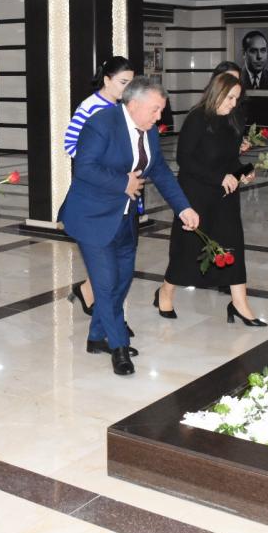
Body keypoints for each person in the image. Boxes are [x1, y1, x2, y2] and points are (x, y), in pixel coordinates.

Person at [58, 76, 200, 376]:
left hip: (125, 218)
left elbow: (159, 170)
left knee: (122, 280)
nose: (159, 117)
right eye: (155, 109)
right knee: (106, 284)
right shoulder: (101, 123)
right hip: (92, 217)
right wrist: (123, 183)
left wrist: (184, 207)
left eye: (161, 110)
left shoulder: (149, 131)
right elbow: (84, 168)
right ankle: (119, 347)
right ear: (134, 104)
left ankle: (97, 337)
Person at [155, 71, 266, 328]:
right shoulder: (197, 118)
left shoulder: (234, 119)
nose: (233, 104)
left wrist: (242, 173)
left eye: (237, 99)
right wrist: (219, 177)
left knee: (233, 244)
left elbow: (230, 159)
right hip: (196, 194)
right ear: (217, 93)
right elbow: (184, 160)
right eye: (230, 98)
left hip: (225, 196)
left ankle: (239, 303)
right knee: (188, 248)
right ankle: (165, 292)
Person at [63, 56, 134, 318]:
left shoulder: (122, 108)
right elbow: (70, 144)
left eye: (131, 83)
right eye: (123, 82)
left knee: (113, 255)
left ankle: (87, 292)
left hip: (120, 191)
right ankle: (103, 312)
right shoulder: (90, 107)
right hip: (99, 191)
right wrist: (104, 166)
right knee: (106, 255)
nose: (128, 88)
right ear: (107, 80)